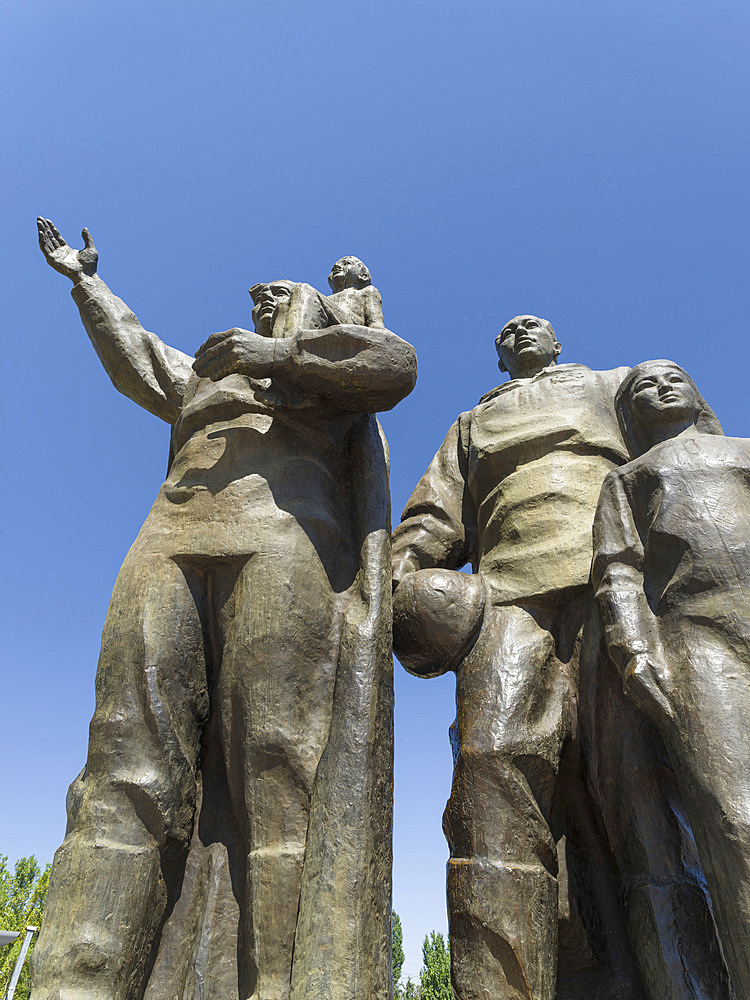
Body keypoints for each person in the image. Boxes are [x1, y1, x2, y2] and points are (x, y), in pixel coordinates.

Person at [33, 218, 417, 1000]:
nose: (259, 301)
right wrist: (87, 281)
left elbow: (396, 364)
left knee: (280, 758)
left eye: (278, 293)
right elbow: (137, 355)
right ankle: (80, 981)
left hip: (284, 542)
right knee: (124, 755)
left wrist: (278, 356)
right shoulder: (207, 379)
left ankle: (280, 983)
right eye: (255, 299)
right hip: (169, 540)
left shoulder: (327, 372)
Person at [392, 320, 728, 1000]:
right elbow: (434, 516)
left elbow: (695, 460)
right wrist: (399, 574)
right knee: (492, 782)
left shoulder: (615, 387)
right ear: (497, 354)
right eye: (508, 330)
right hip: (507, 603)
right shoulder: (472, 422)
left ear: (558, 342)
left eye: (534, 325)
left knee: (645, 793)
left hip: (616, 591)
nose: (520, 328)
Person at [593, 360, 750, 998]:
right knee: (735, 816)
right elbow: (618, 568)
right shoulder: (627, 478)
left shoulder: (742, 451)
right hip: (695, 640)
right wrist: (633, 647)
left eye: (672, 373)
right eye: (641, 384)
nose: (659, 383)